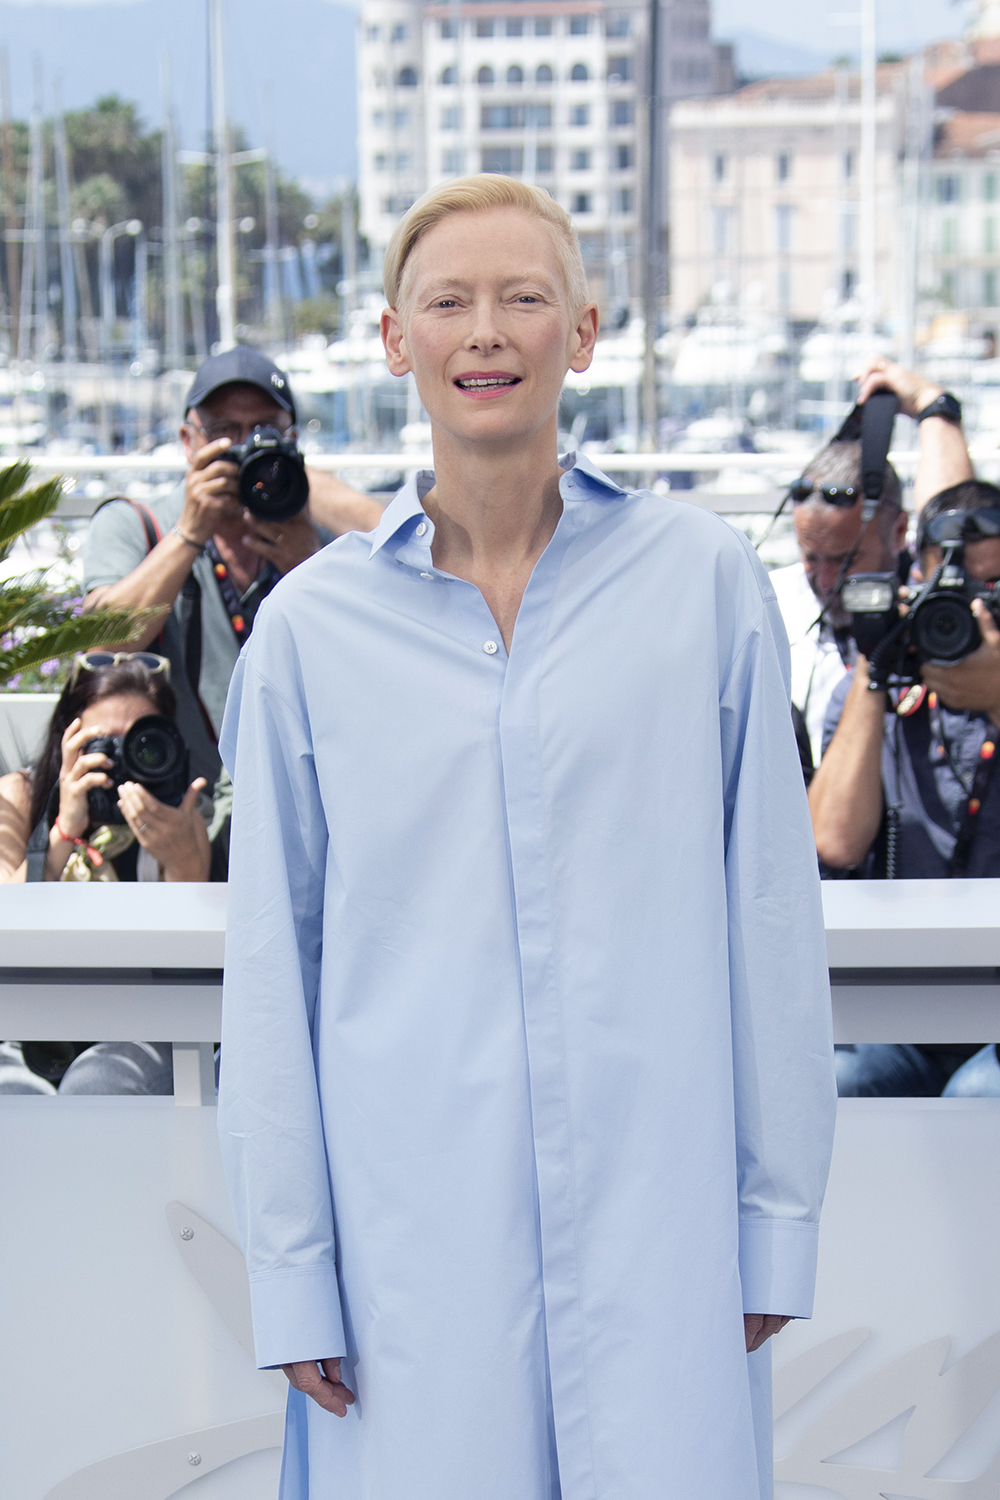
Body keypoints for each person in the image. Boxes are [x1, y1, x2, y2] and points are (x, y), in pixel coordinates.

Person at [219, 176, 836, 1500]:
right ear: (395, 341)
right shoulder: (312, 640)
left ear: (586, 332)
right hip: (409, 1257)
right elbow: (273, 967)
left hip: (660, 1240)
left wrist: (772, 1228)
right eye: (448, 301)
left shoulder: (704, 586)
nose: (485, 331)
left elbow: (771, 923)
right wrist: (292, 1270)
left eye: (523, 298)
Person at [81, 348, 384, 788]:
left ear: (292, 442)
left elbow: (377, 651)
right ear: (188, 441)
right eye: (224, 430)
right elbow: (98, 646)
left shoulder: (317, 537)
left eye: (263, 431)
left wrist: (310, 563)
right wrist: (188, 534)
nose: (243, 447)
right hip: (176, 806)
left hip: (301, 797)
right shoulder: (137, 526)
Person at [810, 477, 1000, 1097]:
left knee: (977, 1096)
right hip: (908, 1004)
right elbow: (834, 840)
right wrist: (878, 664)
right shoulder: (878, 686)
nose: (969, 611)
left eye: (992, 588)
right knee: (838, 1079)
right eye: (953, 587)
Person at [0, 652, 212, 1095]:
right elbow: (7, 927)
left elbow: (191, 967)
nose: (119, 763)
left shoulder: (182, 818)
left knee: (97, 1084)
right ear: (65, 740)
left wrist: (181, 862)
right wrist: (62, 833)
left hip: (147, 1023)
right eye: (101, 746)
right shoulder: (19, 799)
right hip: (29, 1024)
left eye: (140, 742)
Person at [770, 358, 973, 770]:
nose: (826, 581)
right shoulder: (769, 605)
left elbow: (954, 525)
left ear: (899, 532)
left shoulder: (934, 608)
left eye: (846, 561)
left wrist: (931, 405)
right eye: (811, 558)